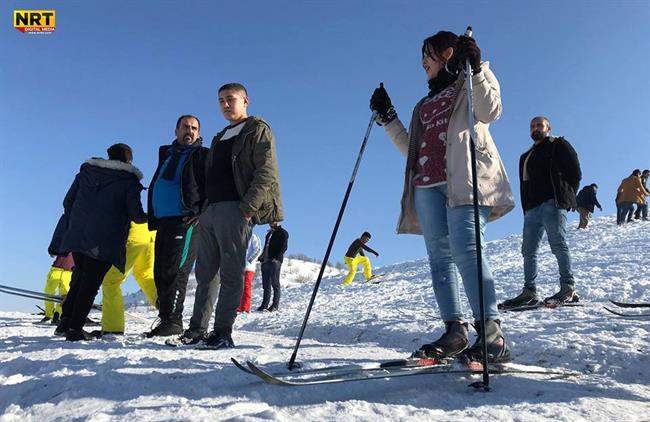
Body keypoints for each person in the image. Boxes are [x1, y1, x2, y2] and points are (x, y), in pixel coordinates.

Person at [370, 31, 514, 363]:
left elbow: (491, 110)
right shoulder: (424, 104)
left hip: (465, 179)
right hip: (426, 185)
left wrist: (474, 68)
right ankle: (455, 331)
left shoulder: (472, 79)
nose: (423, 61)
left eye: (428, 53)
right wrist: (388, 118)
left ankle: (493, 336)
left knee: (468, 250)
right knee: (440, 258)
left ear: (448, 52)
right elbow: (412, 148)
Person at [181, 83, 283, 348]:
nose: (225, 105)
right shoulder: (219, 136)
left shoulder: (257, 129)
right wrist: (202, 209)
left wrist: (248, 208)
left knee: (231, 273)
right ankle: (197, 330)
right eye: (221, 101)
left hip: (236, 209)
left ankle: (222, 332)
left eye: (230, 99)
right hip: (210, 211)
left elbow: (266, 172)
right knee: (205, 274)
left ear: (245, 100)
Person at [49, 143, 147, 341]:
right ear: (129, 161)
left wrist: (79, 220)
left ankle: (65, 322)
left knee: (80, 277)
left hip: (77, 235)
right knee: (90, 283)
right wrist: (156, 219)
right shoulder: (128, 181)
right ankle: (75, 328)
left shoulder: (87, 173)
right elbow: (136, 215)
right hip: (104, 240)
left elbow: (68, 202)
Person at [502, 117, 582, 309]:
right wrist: (525, 209)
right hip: (531, 209)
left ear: (548, 128)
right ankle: (529, 292)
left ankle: (568, 288)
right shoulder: (526, 156)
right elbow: (524, 184)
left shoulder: (558, 145)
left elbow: (575, 173)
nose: (535, 128)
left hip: (552, 203)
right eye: (532, 126)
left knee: (558, 244)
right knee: (528, 251)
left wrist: (567, 197)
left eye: (539, 125)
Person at [145, 115, 208, 337]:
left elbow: (213, 185)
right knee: (160, 271)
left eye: (194, 128)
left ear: (198, 133)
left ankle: (174, 320)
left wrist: (200, 211)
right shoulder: (167, 154)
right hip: (163, 221)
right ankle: (165, 318)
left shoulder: (202, 155)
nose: (189, 131)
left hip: (185, 221)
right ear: (176, 130)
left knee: (176, 271)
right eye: (185, 127)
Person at [100, 222, 158, 335]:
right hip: (150, 232)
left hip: (132, 234)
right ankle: (169, 315)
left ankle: (113, 328)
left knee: (111, 281)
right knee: (145, 275)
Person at [257, 222, 289, 312]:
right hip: (265, 261)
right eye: (270, 222)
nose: (270, 223)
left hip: (275, 261)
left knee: (275, 283)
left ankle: (275, 305)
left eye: (273, 221)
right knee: (266, 284)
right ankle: (264, 304)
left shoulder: (283, 232)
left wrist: (276, 257)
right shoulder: (269, 233)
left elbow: (284, 247)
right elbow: (266, 246)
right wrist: (261, 257)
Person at [39, 253, 74, 324]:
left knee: (64, 295)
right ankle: (48, 315)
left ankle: (57, 315)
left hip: (69, 272)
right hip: (56, 270)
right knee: (48, 293)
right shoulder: (63, 245)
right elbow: (52, 253)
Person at [236, 233, 262, 313]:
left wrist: (249, 260)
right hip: (239, 266)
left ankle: (245, 307)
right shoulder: (239, 235)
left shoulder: (253, 236)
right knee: (238, 286)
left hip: (248, 267)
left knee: (246, 286)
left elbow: (258, 249)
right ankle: (238, 306)